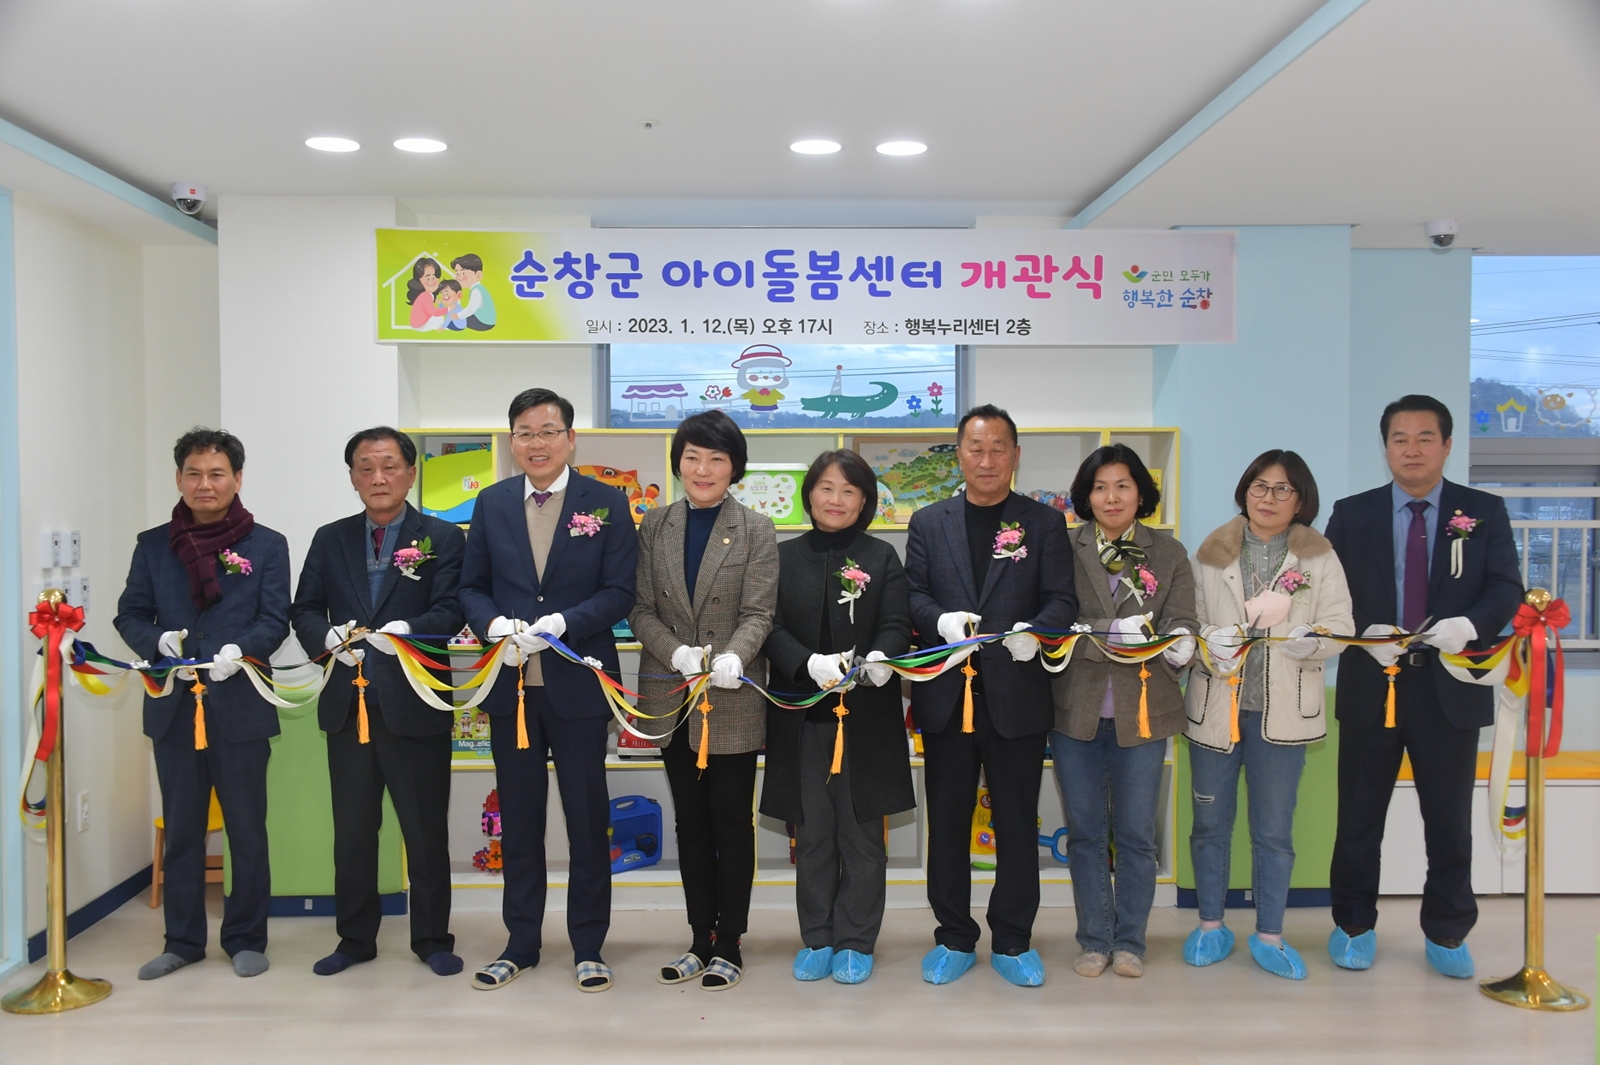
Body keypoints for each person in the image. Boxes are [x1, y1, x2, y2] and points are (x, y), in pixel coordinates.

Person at [1324, 395, 1521, 978]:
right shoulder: (1352, 513)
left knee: (1449, 821)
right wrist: (1362, 633)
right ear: (1385, 447)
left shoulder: (1483, 511)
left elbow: (1506, 588)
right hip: (1372, 684)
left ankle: (1447, 930)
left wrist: (1471, 626)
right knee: (1359, 818)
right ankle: (1353, 925)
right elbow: (1328, 593)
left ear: (1447, 445)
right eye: (1399, 439)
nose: (1411, 449)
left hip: (1450, 687)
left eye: (1424, 438)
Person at [458, 388, 638, 993]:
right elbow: (471, 586)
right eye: (525, 433)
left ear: (570, 438)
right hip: (510, 687)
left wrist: (564, 622)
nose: (536, 443)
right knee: (520, 819)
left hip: (578, 683)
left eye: (548, 431)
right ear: (512, 442)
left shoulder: (606, 502)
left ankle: (588, 945)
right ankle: (520, 944)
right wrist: (492, 625)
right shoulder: (491, 502)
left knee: (587, 820)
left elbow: (621, 591)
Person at [905, 404, 1077, 987]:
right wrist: (939, 621)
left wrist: (1037, 631)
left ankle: (1012, 939)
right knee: (948, 823)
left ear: (1016, 456)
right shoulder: (929, 522)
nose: (987, 459)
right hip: (946, 698)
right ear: (959, 454)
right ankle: (954, 936)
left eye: (998, 448)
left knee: (1017, 823)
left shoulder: (1043, 523)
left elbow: (1062, 598)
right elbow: (913, 595)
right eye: (976, 448)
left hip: (1017, 696)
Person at [289, 427, 467, 977]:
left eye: (389, 466)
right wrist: (327, 640)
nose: (378, 477)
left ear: (411, 473)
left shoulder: (443, 537)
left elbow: (452, 610)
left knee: (425, 831)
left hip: (416, 703)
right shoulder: (330, 538)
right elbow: (304, 608)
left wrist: (407, 631)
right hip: (349, 706)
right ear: (352, 477)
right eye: (365, 467)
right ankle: (354, 939)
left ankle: (432, 939)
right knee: (353, 833)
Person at [114, 428, 289, 981]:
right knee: (184, 831)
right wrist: (156, 642)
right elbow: (129, 614)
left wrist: (245, 650)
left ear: (237, 479)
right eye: (194, 473)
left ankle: (246, 938)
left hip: (240, 706)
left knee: (247, 831)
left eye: (216, 474)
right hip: (174, 711)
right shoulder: (152, 545)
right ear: (179, 479)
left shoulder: (267, 544)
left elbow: (275, 619)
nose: (204, 484)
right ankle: (183, 941)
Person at [1182, 450, 1353, 979]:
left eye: (1283, 489)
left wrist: (1309, 640)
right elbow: (1188, 621)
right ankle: (1210, 925)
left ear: (1300, 500)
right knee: (1209, 825)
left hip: (1282, 715)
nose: (1269, 498)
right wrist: (1210, 641)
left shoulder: (1319, 557)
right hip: (1217, 707)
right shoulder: (1211, 552)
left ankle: (1270, 933)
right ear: (1245, 491)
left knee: (1274, 830)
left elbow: (1340, 625)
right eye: (1260, 486)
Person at [630, 410, 778, 991]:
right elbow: (640, 609)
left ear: (734, 467)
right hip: (672, 695)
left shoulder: (756, 528)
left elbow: (759, 612)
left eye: (717, 458)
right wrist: (677, 654)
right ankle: (698, 939)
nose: (703, 468)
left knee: (731, 823)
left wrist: (733, 656)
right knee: (690, 824)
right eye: (692, 456)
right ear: (678, 463)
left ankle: (729, 942)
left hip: (731, 695)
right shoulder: (656, 523)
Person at [759, 450, 914, 986]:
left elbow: (897, 623)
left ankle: (856, 941)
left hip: (866, 718)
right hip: (801, 718)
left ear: (864, 500)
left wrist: (881, 658)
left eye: (849, 490)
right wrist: (806, 662)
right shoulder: (782, 555)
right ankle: (818, 937)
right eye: (826, 487)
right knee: (813, 836)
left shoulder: (881, 555)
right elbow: (767, 625)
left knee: (863, 837)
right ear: (809, 494)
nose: (836, 499)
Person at [1053, 443, 1197, 980]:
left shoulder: (1169, 551)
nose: (1111, 497)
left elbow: (1182, 620)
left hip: (1145, 709)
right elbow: (1055, 623)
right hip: (1076, 709)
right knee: (1086, 832)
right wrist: (1110, 634)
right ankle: (1095, 940)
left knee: (1137, 833)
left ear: (1141, 493)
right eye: (1100, 487)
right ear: (1086, 496)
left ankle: (1131, 942)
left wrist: (1181, 642)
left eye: (1122, 485)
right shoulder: (1065, 547)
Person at [450, 253, 496, 331]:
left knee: (454, 322)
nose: (458, 277)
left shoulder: (476, 290)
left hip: (483, 322)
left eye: (463, 273)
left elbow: (471, 309)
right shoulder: (477, 288)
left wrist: (458, 316)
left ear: (478, 275)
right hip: (483, 319)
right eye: (457, 273)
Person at [406, 257, 446, 330]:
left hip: (420, 324)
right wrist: (448, 309)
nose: (432, 281)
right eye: (428, 278)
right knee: (440, 319)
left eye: (434, 277)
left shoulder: (428, 295)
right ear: (419, 280)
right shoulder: (426, 295)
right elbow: (434, 312)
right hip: (420, 325)